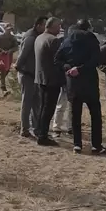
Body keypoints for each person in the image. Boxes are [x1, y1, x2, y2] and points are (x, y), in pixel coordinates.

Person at [56, 19, 106, 154]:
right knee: (95, 115)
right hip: (89, 81)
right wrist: (81, 69)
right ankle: (96, 145)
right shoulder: (92, 39)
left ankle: (77, 144)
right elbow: (96, 60)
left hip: (73, 82)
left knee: (75, 114)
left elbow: (57, 59)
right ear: (88, 28)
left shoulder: (67, 40)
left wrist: (68, 68)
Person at [34, 17, 65, 146]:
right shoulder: (53, 40)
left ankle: (39, 130)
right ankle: (43, 136)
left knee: (42, 107)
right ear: (52, 26)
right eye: (58, 26)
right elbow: (59, 60)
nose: (60, 29)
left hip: (40, 78)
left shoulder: (39, 37)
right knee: (48, 109)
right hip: (51, 80)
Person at [16, 17, 46, 138]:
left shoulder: (37, 36)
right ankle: (24, 129)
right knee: (27, 103)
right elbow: (23, 54)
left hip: (34, 75)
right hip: (27, 74)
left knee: (36, 103)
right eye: (44, 25)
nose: (46, 28)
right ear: (38, 25)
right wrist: (18, 67)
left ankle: (36, 128)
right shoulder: (31, 37)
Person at [0, 23, 19, 96]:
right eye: (8, 29)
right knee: (1, 71)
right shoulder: (0, 37)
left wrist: (10, 51)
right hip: (1, 56)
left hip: (9, 57)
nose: (9, 31)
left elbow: (16, 47)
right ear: (5, 29)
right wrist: (1, 50)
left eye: (10, 29)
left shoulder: (13, 38)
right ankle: (3, 89)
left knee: (6, 71)